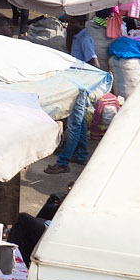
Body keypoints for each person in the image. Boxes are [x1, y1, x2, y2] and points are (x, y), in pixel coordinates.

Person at [45, 17, 97, 175]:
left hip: (78, 88)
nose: (70, 25)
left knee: (73, 126)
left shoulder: (85, 39)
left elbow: (94, 64)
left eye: (73, 23)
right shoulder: (76, 36)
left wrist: (85, 84)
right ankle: (81, 156)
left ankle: (63, 162)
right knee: (79, 123)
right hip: (74, 85)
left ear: (81, 24)